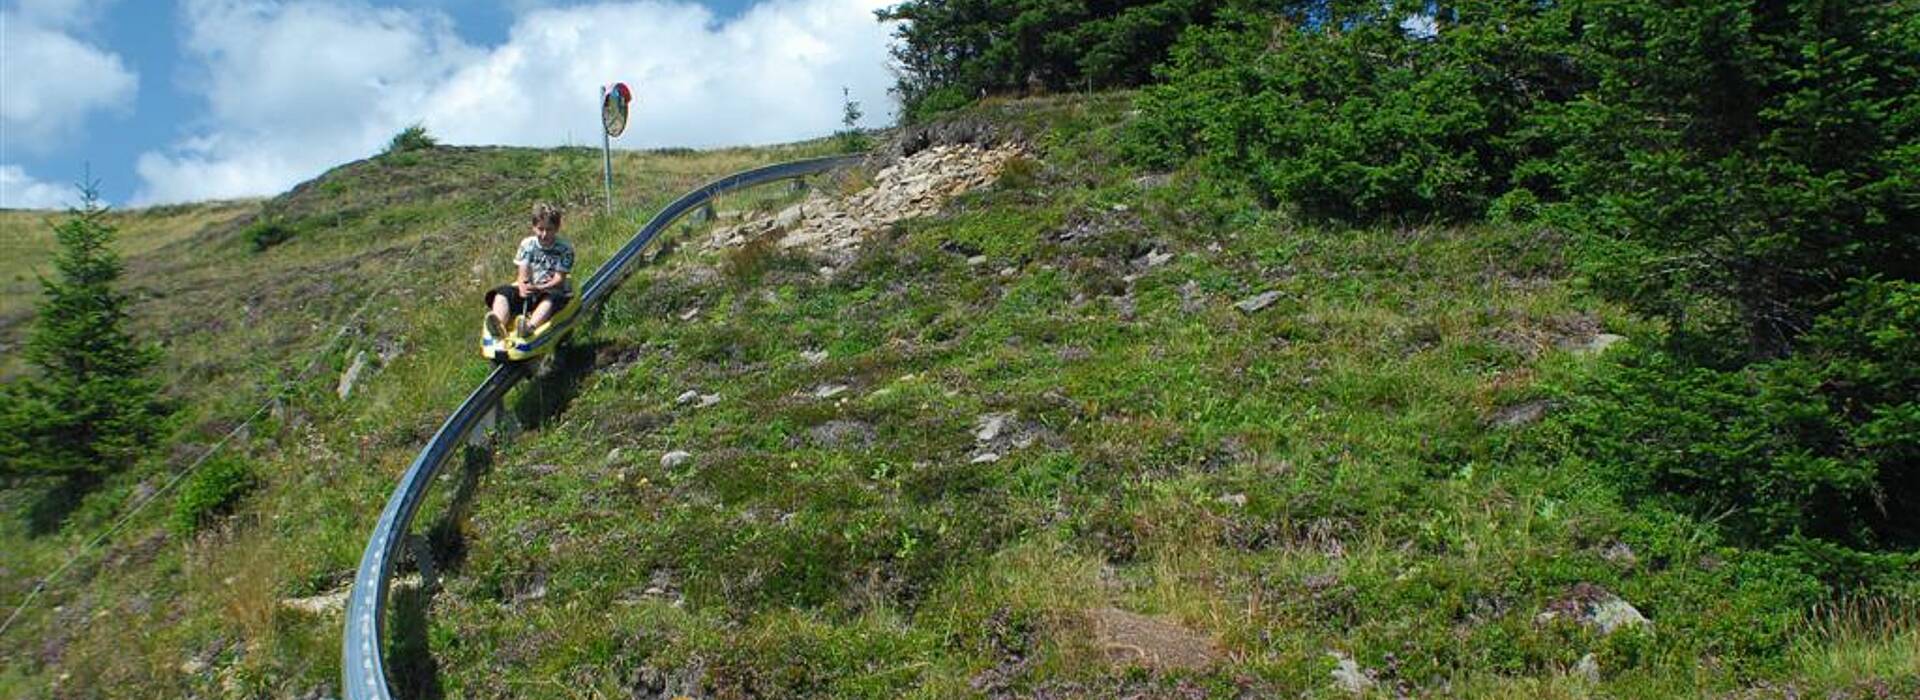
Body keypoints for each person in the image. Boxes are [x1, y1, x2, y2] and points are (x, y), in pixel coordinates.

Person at [485, 203, 574, 338]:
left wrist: (540, 287)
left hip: (550, 289)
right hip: (531, 288)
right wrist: (523, 286)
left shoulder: (565, 249)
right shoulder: (527, 245)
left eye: (549, 230)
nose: (544, 235)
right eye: (540, 229)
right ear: (534, 227)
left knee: (550, 299)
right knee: (502, 293)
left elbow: (559, 279)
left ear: (556, 228)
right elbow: (523, 271)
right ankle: (498, 324)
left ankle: (529, 327)